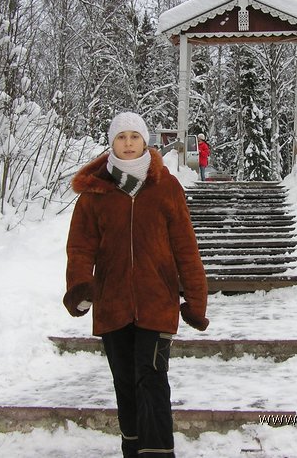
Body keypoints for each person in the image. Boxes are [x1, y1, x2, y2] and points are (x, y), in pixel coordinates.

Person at [64, 112, 209, 458]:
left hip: (157, 301)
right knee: (125, 383)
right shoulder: (95, 193)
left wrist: (195, 297)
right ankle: (133, 450)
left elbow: (185, 245)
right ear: (111, 143)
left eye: (134, 136)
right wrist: (81, 287)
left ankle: (159, 453)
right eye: (121, 137)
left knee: (152, 377)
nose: (128, 143)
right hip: (113, 303)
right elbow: (80, 246)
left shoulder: (166, 188)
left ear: (145, 142)